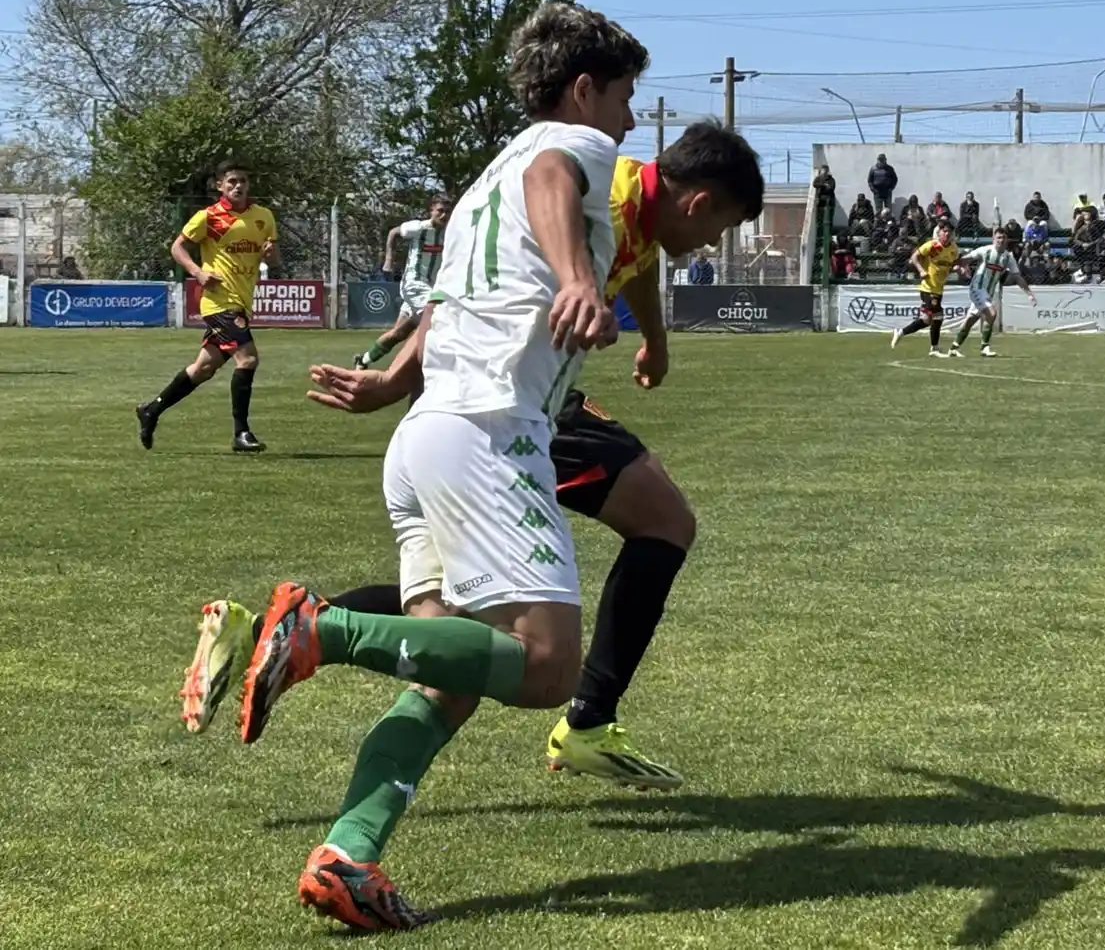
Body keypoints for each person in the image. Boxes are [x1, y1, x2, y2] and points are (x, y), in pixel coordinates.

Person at [180, 125, 764, 807]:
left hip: (483, 404)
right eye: (724, 226)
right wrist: (397, 376)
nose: (715, 242)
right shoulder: (591, 184)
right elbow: (459, 283)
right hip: (502, 408)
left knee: (453, 622)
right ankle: (583, 720)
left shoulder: (629, 198)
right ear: (699, 203)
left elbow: (634, 263)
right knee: (653, 531)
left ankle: (268, 639)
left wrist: (654, 343)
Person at [135, 160, 278, 453]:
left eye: (243, 181)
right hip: (219, 302)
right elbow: (177, 247)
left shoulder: (263, 217)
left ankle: (151, 409)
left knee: (203, 368)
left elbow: (274, 261)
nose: (238, 186)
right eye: (232, 181)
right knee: (248, 359)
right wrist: (197, 272)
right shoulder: (209, 217)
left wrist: (271, 254)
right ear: (220, 185)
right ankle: (241, 433)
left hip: (242, 302)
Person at [352, 195, 453, 369]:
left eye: (447, 212)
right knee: (438, 318)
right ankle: (433, 369)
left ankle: (363, 361)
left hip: (430, 287)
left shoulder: (449, 233)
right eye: (440, 211)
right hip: (414, 284)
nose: (444, 215)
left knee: (399, 333)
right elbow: (394, 232)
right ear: (431, 211)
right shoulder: (418, 227)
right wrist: (388, 259)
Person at [948, 228, 1035, 358]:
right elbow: (965, 259)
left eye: (1003, 238)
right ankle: (985, 347)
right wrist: (960, 267)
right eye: (998, 237)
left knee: (970, 321)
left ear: (1007, 240)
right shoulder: (985, 251)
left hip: (988, 293)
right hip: (977, 288)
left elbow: (1017, 277)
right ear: (993, 239)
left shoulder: (1008, 257)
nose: (1001, 240)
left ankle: (953, 348)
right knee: (992, 313)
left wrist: (1029, 294)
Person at [890, 217, 958, 357]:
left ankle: (901, 332)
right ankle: (934, 349)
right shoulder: (932, 245)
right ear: (939, 233)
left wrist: (960, 268)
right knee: (938, 316)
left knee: (927, 320)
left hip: (938, 289)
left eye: (949, 232)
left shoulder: (953, 249)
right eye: (944, 231)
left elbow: (953, 264)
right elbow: (914, 257)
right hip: (928, 288)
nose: (947, 234)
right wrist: (921, 270)